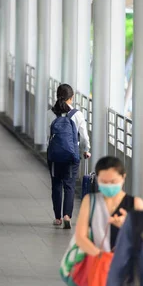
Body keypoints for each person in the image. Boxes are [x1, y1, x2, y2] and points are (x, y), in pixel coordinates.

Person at [74, 156, 143, 286]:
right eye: (103, 182)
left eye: (113, 182)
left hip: (127, 277)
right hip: (97, 272)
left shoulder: (135, 204)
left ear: (123, 178)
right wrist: (101, 257)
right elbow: (80, 237)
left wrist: (128, 226)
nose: (108, 186)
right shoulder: (90, 201)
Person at [47, 84, 92, 229]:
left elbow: (47, 135)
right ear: (71, 98)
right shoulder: (77, 114)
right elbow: (84, 136)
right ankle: (67, 215)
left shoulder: (51, 113)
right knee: (69, 185)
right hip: (72, 155)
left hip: (54, 156)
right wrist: (86, 150)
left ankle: (58, 218)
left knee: (56, 185)